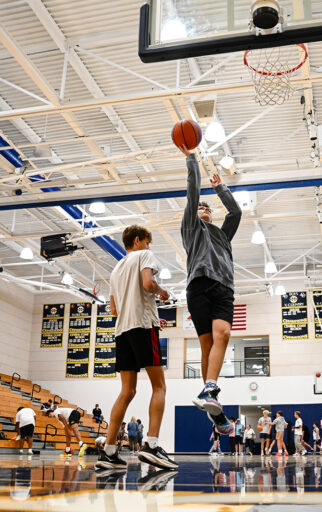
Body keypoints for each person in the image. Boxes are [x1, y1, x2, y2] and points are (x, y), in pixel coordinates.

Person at [98, 224, 177, 471]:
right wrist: (162, 293)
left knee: (127, 391)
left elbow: (114, 310)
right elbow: (148, 283)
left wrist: (149, 315)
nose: (148, 246)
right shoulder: (144, 255)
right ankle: (151, 445)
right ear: (138, 240)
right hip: (142, 327)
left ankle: (109, 452)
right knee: (159, 386)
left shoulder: (115, 270)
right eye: (147, 241)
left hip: (122, 332)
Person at [180, 148, 242, 435]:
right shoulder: (191, 228)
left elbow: (236, 212)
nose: (204, 208)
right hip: (199, 284)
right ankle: (214, 406)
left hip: (224, 286)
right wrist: (191, 158)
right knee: (207, 345)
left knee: (223, 334)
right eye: (201, 207)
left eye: (208, 208)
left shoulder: (222, 234)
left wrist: (220, 188)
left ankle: (210, 390)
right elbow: (193, 192)